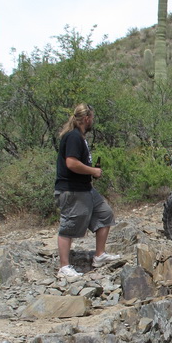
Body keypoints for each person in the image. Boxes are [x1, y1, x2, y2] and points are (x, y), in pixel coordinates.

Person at [54, 103, 120, 278]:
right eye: (92, 118)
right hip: (71, 190)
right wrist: (93, 171)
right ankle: (64, 267)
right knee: (69, 226)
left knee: (104, 214)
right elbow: (71, 163)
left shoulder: (80, 137)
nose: (93, 121)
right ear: (86, 118)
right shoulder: (73, 137)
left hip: (85, 189)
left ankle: (99, 255)